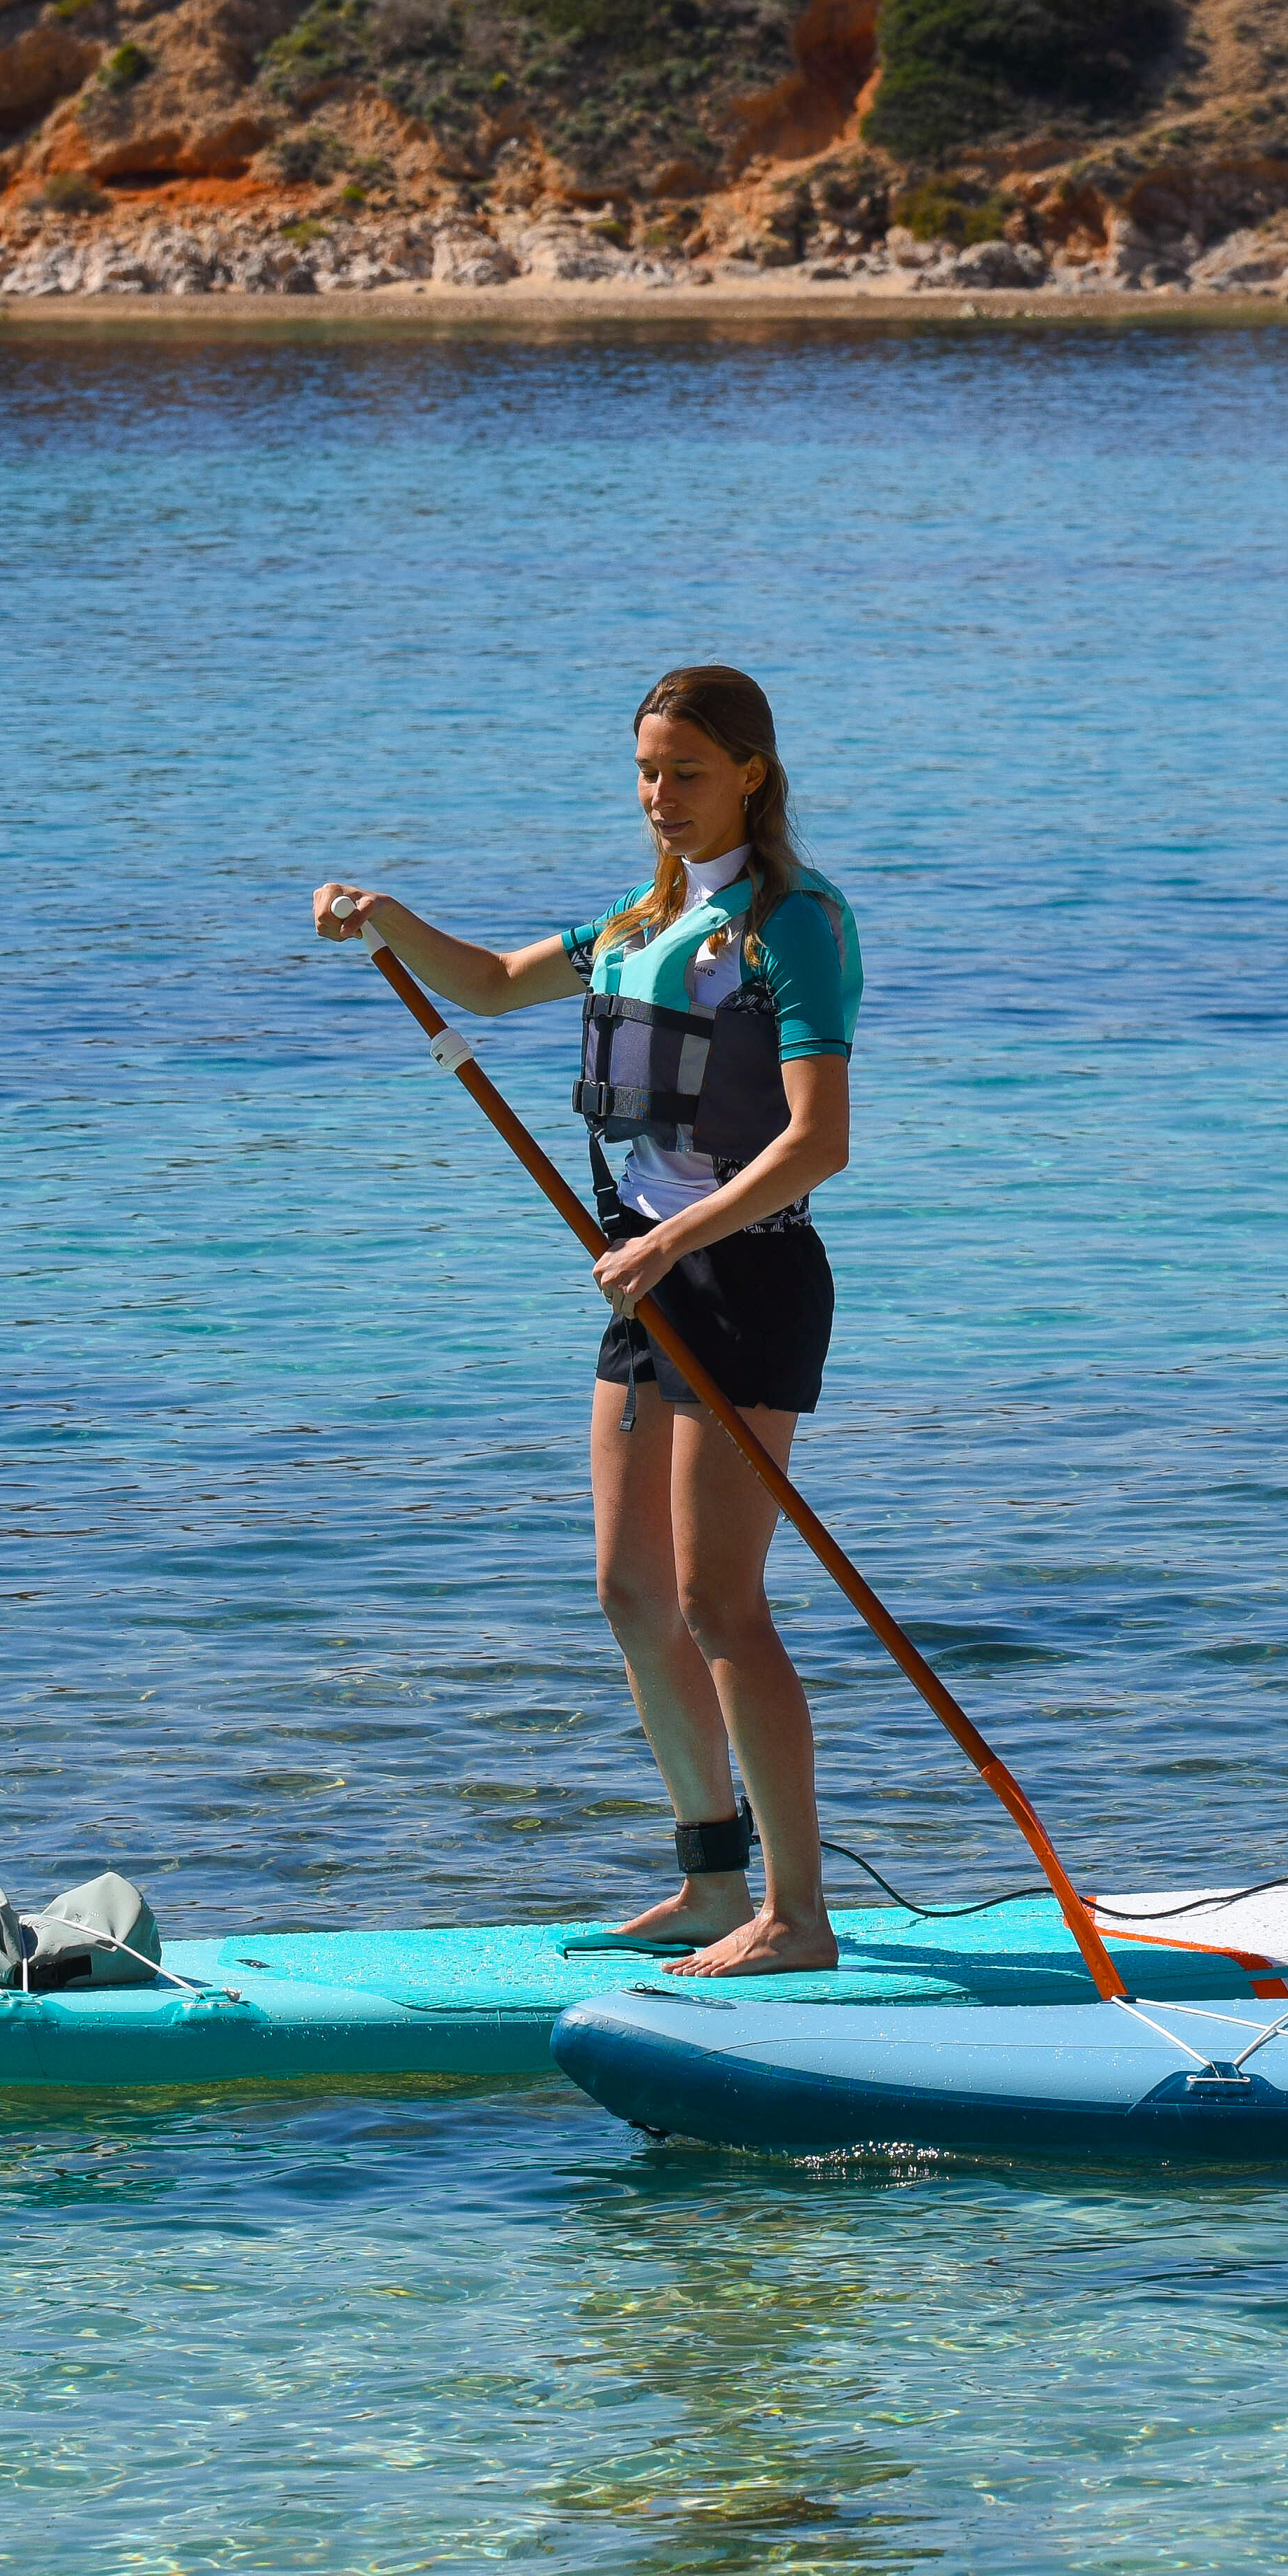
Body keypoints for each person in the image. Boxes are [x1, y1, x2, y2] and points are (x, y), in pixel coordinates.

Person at [310, 666, 864, 1976]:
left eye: (685, 772)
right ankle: (711, 1880)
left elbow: (816, 1143)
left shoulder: (795, 925)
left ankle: (801, 1918)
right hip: (646, 1277)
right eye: (645, 772)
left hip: (747, 1273)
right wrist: (390, 920)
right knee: (631, 1592)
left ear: (751, 776)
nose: (660, 797)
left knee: (720, 1600)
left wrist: (671, 1237)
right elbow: (497, 985)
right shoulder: (639, 918)